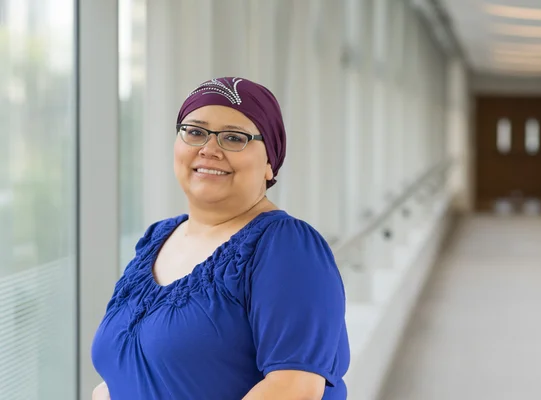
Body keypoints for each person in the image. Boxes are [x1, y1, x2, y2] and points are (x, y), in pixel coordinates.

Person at [91, 76, 350, 399]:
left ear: (270, 162)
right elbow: (129, 373)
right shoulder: (157, 238)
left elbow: (293, 388)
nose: (209, 149)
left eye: (234, 137)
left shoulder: (286, 247)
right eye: (195, 132)